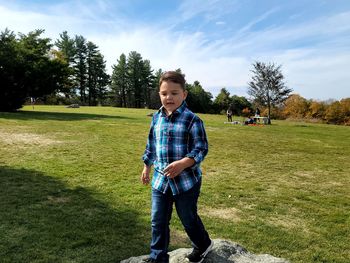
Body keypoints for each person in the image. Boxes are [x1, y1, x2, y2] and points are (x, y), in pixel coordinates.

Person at [141, 71, 213, 263]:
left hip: (186, 183)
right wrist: (146, 166)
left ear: (184, 94)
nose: (169, 97)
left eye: (174, 93)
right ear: (159, 94)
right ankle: (158, 257)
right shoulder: (156, 118)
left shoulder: (192, 120)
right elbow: (151, 145)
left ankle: (203, 244)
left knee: (188, 219)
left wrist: (183, 163)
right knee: (158, 221)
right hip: (160, 180)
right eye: (164, 93)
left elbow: (201, 148)